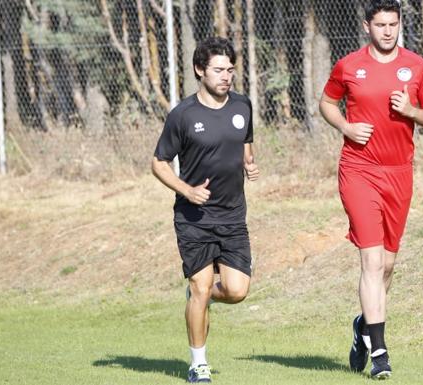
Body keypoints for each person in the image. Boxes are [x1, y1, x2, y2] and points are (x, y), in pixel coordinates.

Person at [319, 0, 423, 379]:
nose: (388, 31)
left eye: (393, 24)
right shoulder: (348, 66)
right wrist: (346, 127)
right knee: (371, 262)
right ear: (366, 27)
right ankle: (381, 355)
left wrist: (411, 111)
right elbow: (326, 103)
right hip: (359, 171)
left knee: (387, 265)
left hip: (399, 173)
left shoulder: (417, 66)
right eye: (381, 25)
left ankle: (363, 328)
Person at [151, 36, 259, 383]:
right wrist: (186, 189)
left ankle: (200, 300)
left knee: (237, 291)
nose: (226, 76)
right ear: (200, 70)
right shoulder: (183, 115)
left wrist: (248, 164)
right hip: (193, 217)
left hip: (232, 215)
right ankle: (198, 363)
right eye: (218, 70)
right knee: (200, 286)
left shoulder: (243, 106)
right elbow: (159, 163)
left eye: (230, 69)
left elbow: (244, 143)